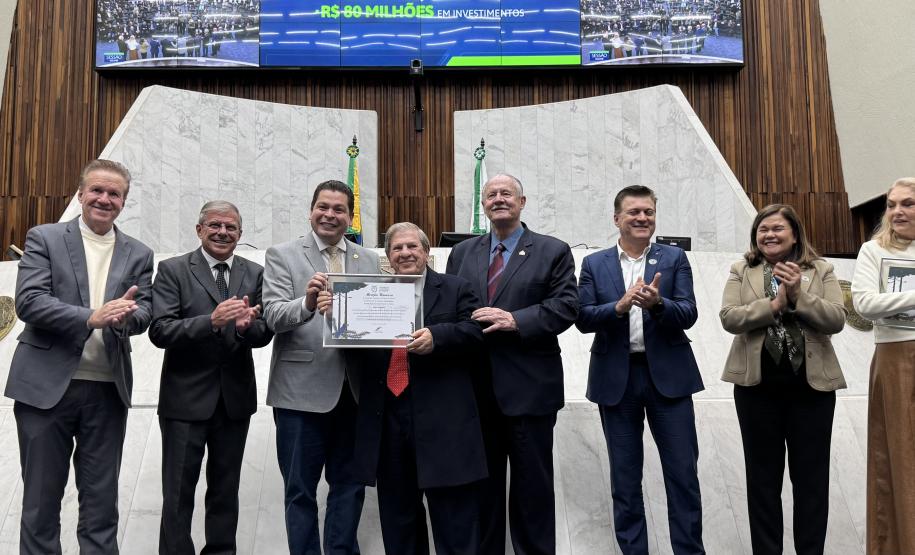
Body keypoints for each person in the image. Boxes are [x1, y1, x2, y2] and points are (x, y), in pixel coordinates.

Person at [5, 159, 154, 553]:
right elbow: (30, 302)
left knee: (102, 507)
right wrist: (92, 316)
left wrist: (127, 316)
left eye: (114, 194)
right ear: (81, 194)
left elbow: (145, 311)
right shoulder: (45, 238)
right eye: (97, 191)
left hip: (107, 391)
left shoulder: (139, 253)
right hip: (45, 390)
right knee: (40, 505)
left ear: (124, 201)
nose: (105, 199)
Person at [322, 222, 487, 554]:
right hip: (388, 422)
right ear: (388, 257)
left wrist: (437, 338)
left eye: (413, 247)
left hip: (444, 427)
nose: (405, 253)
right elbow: (352, 349)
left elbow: (477, 332)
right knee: (399, 525)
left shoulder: (456, 288)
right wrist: (336, 317)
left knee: (454, 525)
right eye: (397, 248)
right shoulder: (367, 294)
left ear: (426, 252)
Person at [446, 174, 579, 555]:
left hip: (529, 392)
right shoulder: (462, 253)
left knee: (532, 492)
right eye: (491, 195)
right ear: (483, 205)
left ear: (522, 201)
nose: (499, 199)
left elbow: (567, 306)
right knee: (481, 493)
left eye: (506, 194)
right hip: (473, 393)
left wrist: (516, 320)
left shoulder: (553, 250)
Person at [575, 185, 705, 555]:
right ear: (617, 219)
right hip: (617, 381)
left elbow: (689, 313)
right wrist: (619, 306)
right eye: (634, 212)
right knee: (625, 480)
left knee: (683, 477)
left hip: (669, 380)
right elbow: (582, 318)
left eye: (648, 211)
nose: (642, 218)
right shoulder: (594, 263)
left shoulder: (674, 258)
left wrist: (659, 303)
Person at [720, 204, 846, 555]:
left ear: (794, 234)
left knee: (811, 482)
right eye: (763, 229)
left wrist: (799, 297)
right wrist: (774, 305)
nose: (769, 235)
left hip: (813, 391)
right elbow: (729, 317)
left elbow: (836, 318)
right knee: (762, 482)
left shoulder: (821, 269)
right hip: (756, 390)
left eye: (777, 228)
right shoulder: (742, 269)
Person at [262, 180, 380, 555]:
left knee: (350, 484)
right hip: (300, 393)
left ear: (350, 216)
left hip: (355, 393)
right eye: (323, 207)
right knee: (300, 489)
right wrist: (308, 303)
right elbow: (273, 316)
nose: (330, 214)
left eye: (339, 209)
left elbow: (377, 320)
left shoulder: (370, 260)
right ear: (311, 210)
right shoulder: (282, 255)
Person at [149, 200, 273, 554]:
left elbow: (264, 332)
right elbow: (160, 330)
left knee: (225, 491)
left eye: (231, 227)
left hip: (234, 401)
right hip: (184, 401)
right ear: (199, 229)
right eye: (215, 225)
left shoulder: (254, 272)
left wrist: (248, 328)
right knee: (177, 496)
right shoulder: (173, 269)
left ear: (240, 234)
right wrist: (211, 322)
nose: (222, 232)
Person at [852, 177, 915, 554]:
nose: (897, 212)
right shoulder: (873, 251)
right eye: (891, 205)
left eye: (907, 204)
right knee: (897, 458)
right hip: (894, 360)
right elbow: (863, 303)